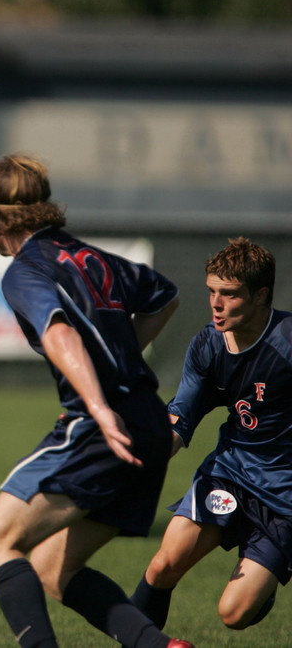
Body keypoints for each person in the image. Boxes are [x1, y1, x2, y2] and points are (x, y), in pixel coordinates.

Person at [0, 153, 194, 648]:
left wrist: (97, 405)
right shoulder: (91, 257)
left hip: (103, 425)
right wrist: (121, 356)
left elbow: (59, 333)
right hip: (151, 425)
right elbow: (166, 296)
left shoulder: (25, 270)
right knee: (53, 567)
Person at [130, 238, 292, 632]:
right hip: (230, 474)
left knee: (233, 614)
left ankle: (261, 582)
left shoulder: (287, 343)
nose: (216, 304)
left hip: (284, 497)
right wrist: (143, 458)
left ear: (261, 295)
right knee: (165, 562)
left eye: (230, 294)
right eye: (212, 292)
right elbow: (181, 417)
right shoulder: (208, 344)